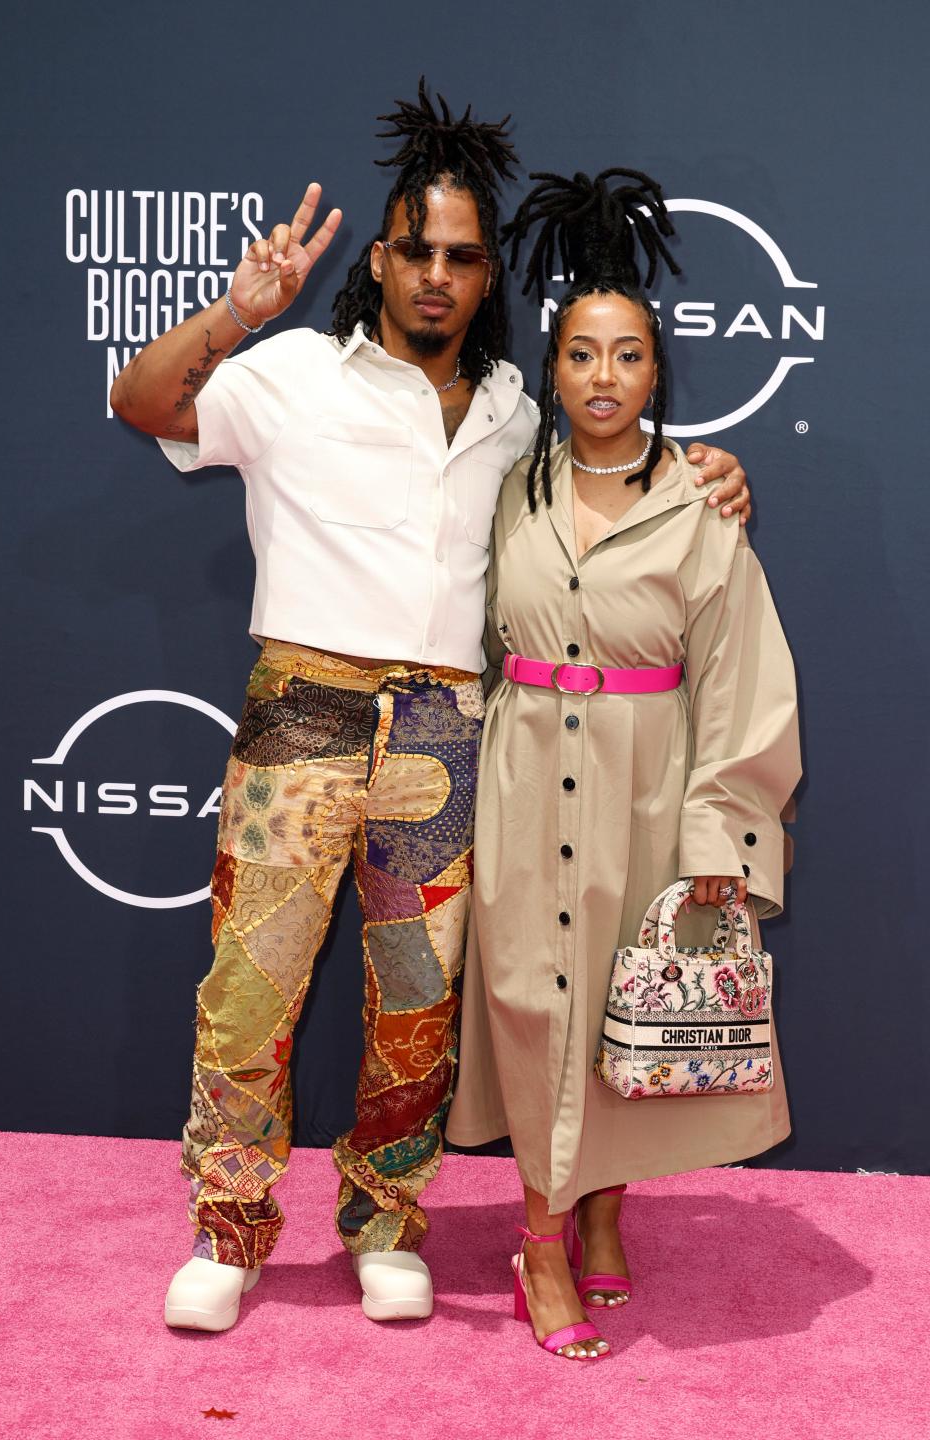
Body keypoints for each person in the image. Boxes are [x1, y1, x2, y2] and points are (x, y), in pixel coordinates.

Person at [109, 85, 751, 1333]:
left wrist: (709, 467)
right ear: (382, 259)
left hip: (449, 734)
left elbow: (613, 458)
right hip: (302, 713)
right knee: (251, 991)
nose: (439, 277)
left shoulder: (518, 408)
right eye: (418, 252)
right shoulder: (290, 372)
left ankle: (386, 1220)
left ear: (482, 272)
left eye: (464, 256)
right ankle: (230, 1230)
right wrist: (239, 314)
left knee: (413, 1008)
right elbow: (142, 406)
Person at [445, 167, 801, 1361]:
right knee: (535, 1005)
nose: (604, 376)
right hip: (522, 768)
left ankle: (604, 1207)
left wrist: (722, 842)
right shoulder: (504, 490)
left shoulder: (707, 504)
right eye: (583, 354)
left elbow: (744, 686)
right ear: (551, 370)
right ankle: (540, 1244)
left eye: (629, 355)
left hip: (651, 782)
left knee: (624, 1009)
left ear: (659, 371)